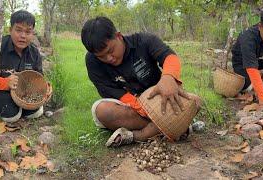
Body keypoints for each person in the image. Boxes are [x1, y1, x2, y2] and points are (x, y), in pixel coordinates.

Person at [81, 16, 201, 147]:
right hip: (130, 109)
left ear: (119, 36)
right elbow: (108, 90)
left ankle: (138, 135)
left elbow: (169, 57)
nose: (109, 58)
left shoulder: (144, 41)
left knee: (196, 101)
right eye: (101, 56)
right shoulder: (92, 61)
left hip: (159, 100)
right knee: (102, 110)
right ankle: (172, 127)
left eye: (110, 51)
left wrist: (168, 77)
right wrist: (140, 107)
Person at [0, 10, 51, 122]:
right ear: (10, 29)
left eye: (28, 32)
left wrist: (46, 87)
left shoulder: (34, 53)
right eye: (18, 30)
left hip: (24, 93)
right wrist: (5, 83)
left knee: (37, 111)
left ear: (33, 33)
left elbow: (39, 76)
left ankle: (21, 109)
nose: (23, 36)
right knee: (12, 115)